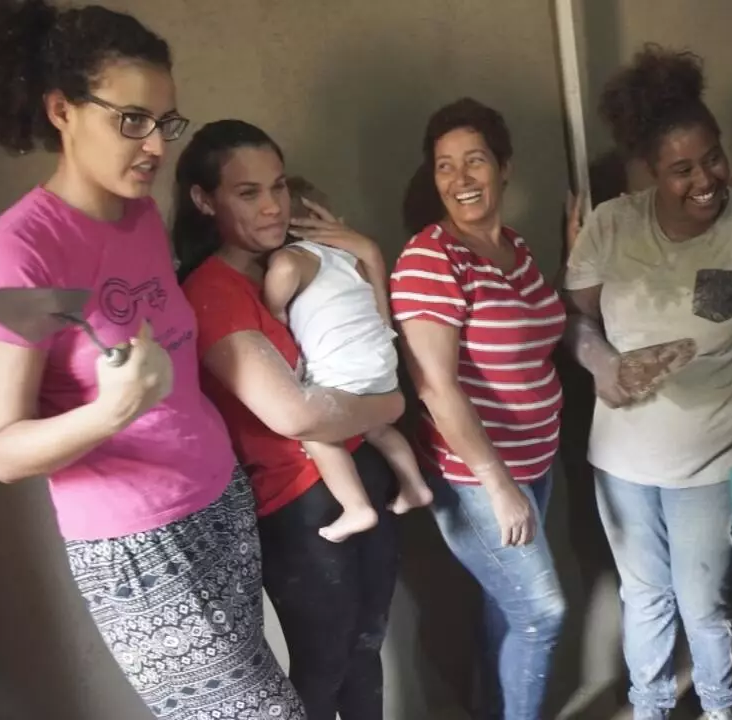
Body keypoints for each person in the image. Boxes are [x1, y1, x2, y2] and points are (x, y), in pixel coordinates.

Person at [0, 2, 304, 718]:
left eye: (164, 123)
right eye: (131, 120)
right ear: (63, 110)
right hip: (140, 546)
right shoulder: (18, 260)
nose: (154, 146)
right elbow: (2, 450)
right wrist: (110, 411)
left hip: (220, 499)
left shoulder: (138, 214)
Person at [563, 45, 732, 720]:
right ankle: (649, 707)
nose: (705, 179)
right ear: (650, 172)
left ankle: (719, 707)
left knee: (705, 604)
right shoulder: (611, 226)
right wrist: (602, 364)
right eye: (681, 169)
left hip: (716, 459)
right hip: (621, 461)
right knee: (643, 596)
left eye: (712, 157)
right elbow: (577, 321)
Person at [174, 120, 405, 720]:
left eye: (278, 186)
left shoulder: (299, 264)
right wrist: (392, 406)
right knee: (324, 670)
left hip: (360, 472)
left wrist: (370, 256)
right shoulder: (212, 290)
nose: (273, 205)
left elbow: (377, 345)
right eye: (248, 192)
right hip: (299, 504)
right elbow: (296, 415)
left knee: (367, 650)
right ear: (205, 200)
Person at [389, 98, 567, 720]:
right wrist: (498, 484)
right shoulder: (431, 260)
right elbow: (436, 387)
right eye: (445, 165)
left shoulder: (514, 247)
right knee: (542, 614)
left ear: (504, 167)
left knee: (508, 609)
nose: (460, 178)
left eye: (475, 161)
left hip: (535, 464)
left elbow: (534, 336)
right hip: (478, 478)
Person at [260, 176, 432, 543]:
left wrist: (274, 309)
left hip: (342, 370)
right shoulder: (352, 259)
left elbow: (283, 274)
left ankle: (356, 507)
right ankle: (415, 485)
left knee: (319, 436)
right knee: (378, 429)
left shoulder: (293, 257)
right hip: (381, 360)